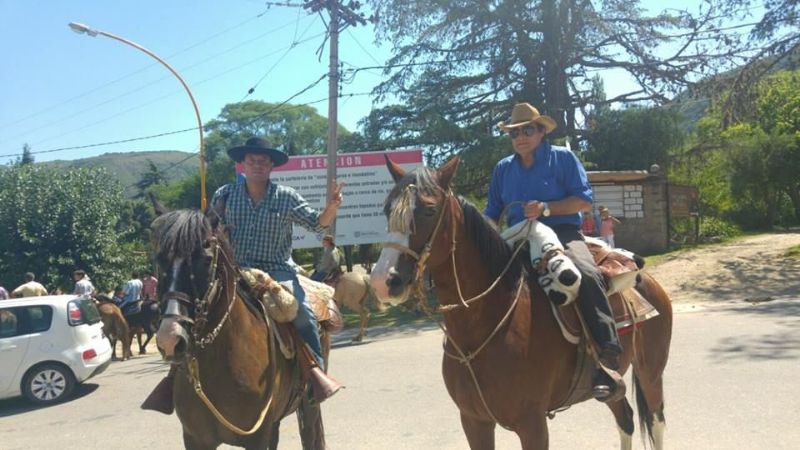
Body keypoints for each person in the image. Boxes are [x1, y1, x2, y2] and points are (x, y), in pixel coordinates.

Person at [143, 137, 345, 414]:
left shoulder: (286, 197)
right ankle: (175, 376)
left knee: (302, 314)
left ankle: (313, 377)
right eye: (252, 160)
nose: (258, 165)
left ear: (271, 165)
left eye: (263, 161)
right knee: (195, 311)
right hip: (235, 269)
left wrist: (332, 208)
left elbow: (317, 224)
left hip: (276, 271)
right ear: (242, 164)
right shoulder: (224, 195)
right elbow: (211, 231)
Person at [484, 102, 624, 402]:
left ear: (541, 131)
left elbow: (584, 201)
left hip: (562, 232)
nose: (520, 137)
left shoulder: (563, 158)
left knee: (585, 273)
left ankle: (606, 352)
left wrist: (547, 208)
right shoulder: (502, 169)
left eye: (527, 130)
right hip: (517, 238)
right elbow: (492, 212)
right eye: (514, 133)